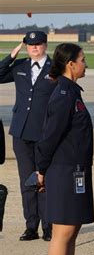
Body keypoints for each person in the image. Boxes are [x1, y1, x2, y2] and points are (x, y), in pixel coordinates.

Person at [35, 43, 94, 255]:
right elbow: (49, 136)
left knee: (72, 230)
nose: (86, 64)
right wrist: (41, 170)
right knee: (63, 232)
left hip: (75, 170)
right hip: (63, 171)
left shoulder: (71, 92)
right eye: (82, 59)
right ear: (70, 64)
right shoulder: (62, 94)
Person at [0, 31, 55, 241]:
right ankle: (31, 226)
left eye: (38, 44)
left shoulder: (54, 68)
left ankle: (48, 227)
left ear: (45, 45)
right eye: (30, 44)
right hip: (21, 133)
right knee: (26, 181)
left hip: (44, 133)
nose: (34, 48)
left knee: (44, 181)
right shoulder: (21, 66)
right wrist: (13, 54)